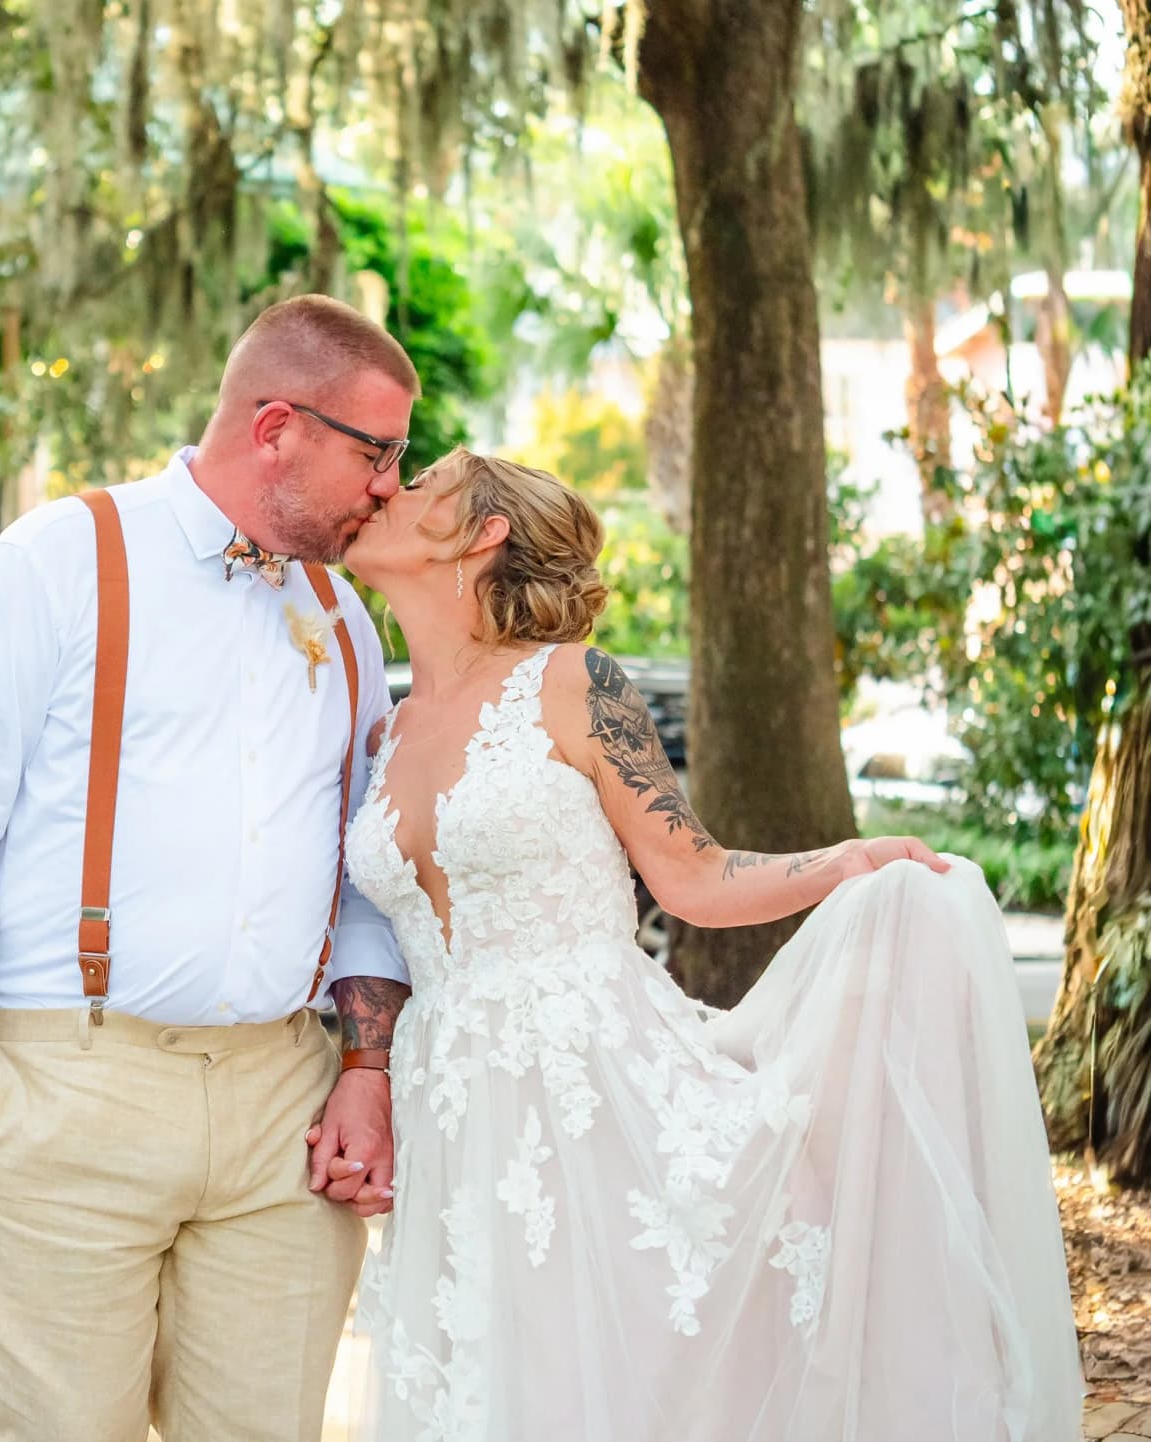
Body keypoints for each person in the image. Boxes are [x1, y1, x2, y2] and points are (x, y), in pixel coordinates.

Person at [337, 448, 1085, 1441]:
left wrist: (846, 862)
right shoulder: (382, 732)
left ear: (485, 535)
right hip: (454, 1098)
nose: (390, 487)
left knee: (631, 1366)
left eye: (422, 481)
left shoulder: (575, 683)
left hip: (596, 1080)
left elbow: (689, 875)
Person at [0, 294, 418, 1442]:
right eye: (377, 452)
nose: (392, 486)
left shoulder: (345, 617)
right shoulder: (61, 558)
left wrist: (366, 1066)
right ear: (277, 425)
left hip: (283, 1105)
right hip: (69, 1086)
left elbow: (361, 868)